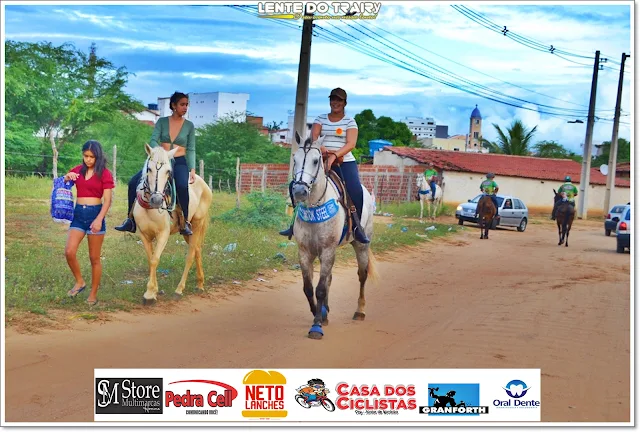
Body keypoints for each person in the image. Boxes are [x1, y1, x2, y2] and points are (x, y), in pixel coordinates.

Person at [279, 87, 370, 244]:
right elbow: (313, 139)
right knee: (295, 184)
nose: (335, 102)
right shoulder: (320, 119)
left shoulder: (350, 122)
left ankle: (357, 228)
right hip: (321, 160)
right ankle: (294, 223)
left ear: (344, 103)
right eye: (333, 99)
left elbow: (351, 144)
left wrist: (334, 155)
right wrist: (324, 152)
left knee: (356, 190)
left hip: (344, 161)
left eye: (339, 100)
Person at [115, 91, 196, 235]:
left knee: (183, 186)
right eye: (182, 104)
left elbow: (191, 148)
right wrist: (157, 151)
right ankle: (130, 220)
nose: (185, 107)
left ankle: (185, 222)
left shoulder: (189, 125)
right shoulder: (162, 122)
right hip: (160, 160)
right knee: (133, 181)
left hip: (179, 161)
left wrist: (193, 168)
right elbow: (153, 139)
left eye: (187, 105)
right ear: (173, 105)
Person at [64, 140, 114, 306]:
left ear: (98, 157)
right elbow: (64, 184)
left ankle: (93, 294)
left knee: (94, 258)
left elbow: (107, 200)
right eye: (85, 156)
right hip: (78, 214)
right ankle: (80, 281)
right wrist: (67, 177)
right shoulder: (78, 170)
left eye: (92, 157)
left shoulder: (104, 173)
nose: (88, 160)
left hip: (95, 214)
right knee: (69, 251)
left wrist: (99, 219)